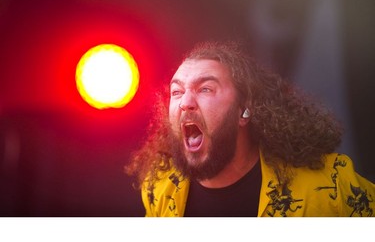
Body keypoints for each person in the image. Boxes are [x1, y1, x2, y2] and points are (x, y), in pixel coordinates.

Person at [125, 41, 375, 217]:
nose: (185, 102)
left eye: (206, 89)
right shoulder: (159, 186)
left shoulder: (328, 185)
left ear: (244, 109)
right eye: (177, 91)